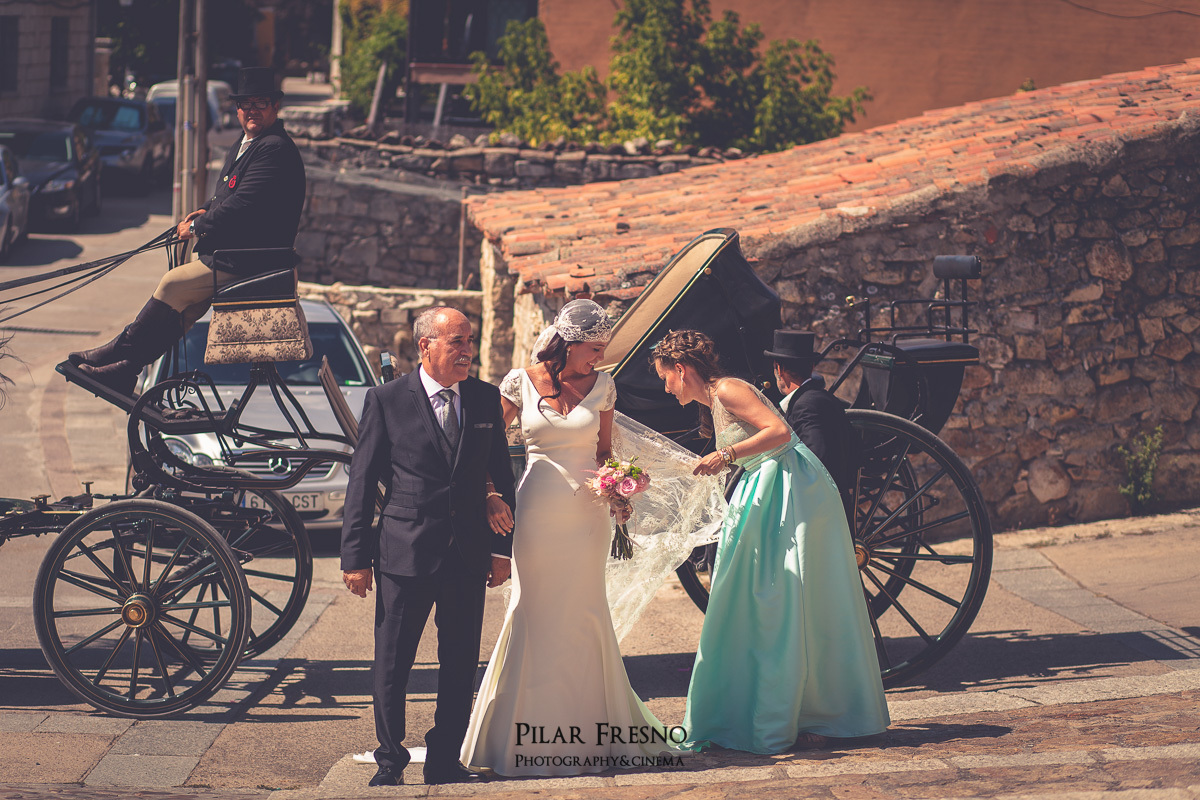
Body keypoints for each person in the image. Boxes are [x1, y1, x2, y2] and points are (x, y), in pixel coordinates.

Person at [460, 299, 683, 777]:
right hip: (536, 511)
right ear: (568, 343)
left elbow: (603, 452)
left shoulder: (604, 386)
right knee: (533, 609)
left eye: (603, 349)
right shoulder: (518, 383)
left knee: (585, 611)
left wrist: (618, 488)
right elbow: (484, 445)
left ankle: (590, 734)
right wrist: (489, 492)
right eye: (594, 348)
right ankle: (518, 735)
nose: (599, 358)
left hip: (588, 517)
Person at [651, 330, 889, 754]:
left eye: (664, 377)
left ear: (681, 370)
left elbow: (780, 431)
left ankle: (817, 710)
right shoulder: (712, 403)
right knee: (753, 595)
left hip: (790, 488)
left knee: (789, 593)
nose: (665, 387)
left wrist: (726, 455)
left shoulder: (728, 389)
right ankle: (754, 705)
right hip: (761, 485)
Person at [340, 306, 516, 786]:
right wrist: (355, 558)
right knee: (392, 663)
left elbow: (502, 476)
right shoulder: (386, 400)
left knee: (459, 663)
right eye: (457, 341)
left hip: (467, 556)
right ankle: (390, 761)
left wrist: (502, 550)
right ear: (426, 345)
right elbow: (362, 483)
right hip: (404, 554)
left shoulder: (484, 399)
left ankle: (443, 761)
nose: (467, 351)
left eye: (469, 341)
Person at [68, 67, 306, 395]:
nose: (252, 110)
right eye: (246, 104)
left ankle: (116, 353)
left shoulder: (274, 148)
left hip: (254, 259)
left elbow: (244, 205)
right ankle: (126, 369)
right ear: (237, 109)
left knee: (172, 284)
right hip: (237, 253)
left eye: (260, 103)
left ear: (275, 106)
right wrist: (206, 209)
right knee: (185, 310)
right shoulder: (249, 143)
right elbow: (227, 195)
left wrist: (196, 226)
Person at [765, 329, 857, 497]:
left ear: (779, 368)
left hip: (817, 505)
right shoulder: (821, 398)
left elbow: (816, 461)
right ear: (812, 366)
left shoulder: (806, 405)